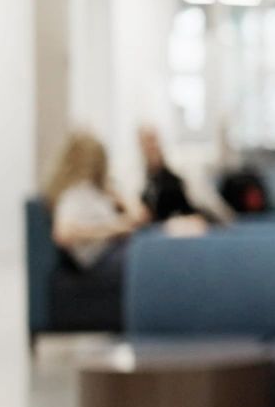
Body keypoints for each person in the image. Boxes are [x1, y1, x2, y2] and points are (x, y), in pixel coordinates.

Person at [42, 129, 145, 326]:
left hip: (118, 249)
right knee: (149, 259)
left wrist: (117, 194)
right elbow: (62, 234)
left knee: (156, 248)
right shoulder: (74, 195)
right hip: (101, 258)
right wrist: (112, 230)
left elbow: (139, 216)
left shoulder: (97, 192)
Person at [135, 124, 216, 232]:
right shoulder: (139, 178)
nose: (152, 146)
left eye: (153, 140)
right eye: (147, 141)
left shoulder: (177, 174)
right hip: (152, 230)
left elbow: (196, 208)